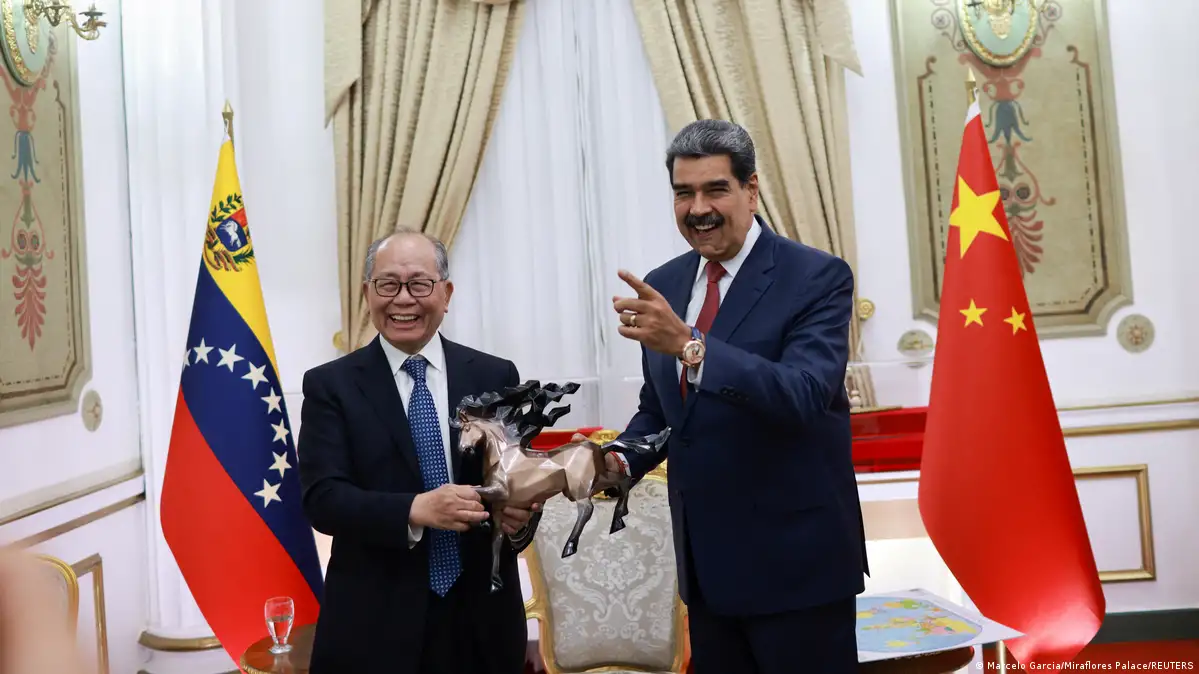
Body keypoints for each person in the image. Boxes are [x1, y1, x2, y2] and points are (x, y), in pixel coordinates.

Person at [607, 119, 869, 673]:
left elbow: (802, 394)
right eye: (684, 193)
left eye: (715, 190)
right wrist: (617, 460)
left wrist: (691, 345)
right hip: (708, 573)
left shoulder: (816, 276)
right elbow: (663, 411)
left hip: (798, 571)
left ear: (751, 190)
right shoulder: (665, 283)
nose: (698, 208)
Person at [298, 229, 537, 674]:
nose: (403, 299)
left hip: (482, 623)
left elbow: (516, 483)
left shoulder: (495, 376)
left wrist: (520, 513)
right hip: (375, 623)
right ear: (367, 294)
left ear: (446, 294)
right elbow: (323, 500)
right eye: (388, 284)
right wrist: (415, 509)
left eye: (420, 284)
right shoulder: (330, 386)